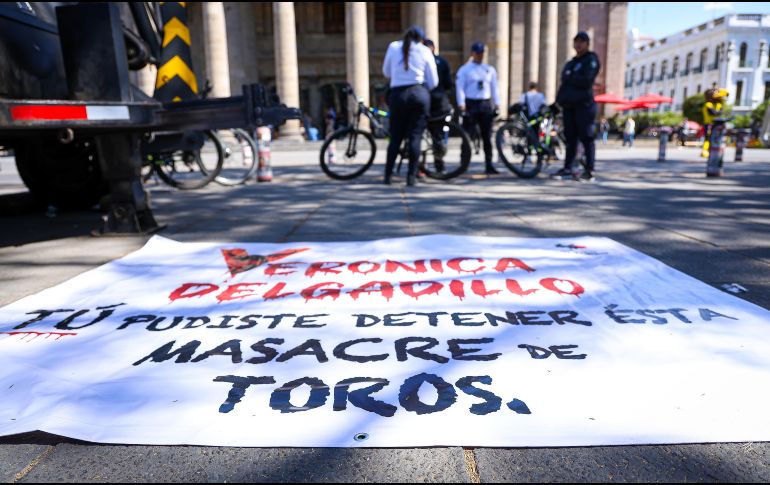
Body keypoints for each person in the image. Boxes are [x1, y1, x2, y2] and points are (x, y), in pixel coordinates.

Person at [382, 26, 438, 186]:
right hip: (418, 94)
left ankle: (388, 175)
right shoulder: (424, 50)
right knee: (415, 137)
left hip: (398, 95)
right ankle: (411, 177)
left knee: (395, 138)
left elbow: (386, 72)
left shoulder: (393, 47)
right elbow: (433, 81)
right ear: (421, 38)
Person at [553, 31, 601, 181]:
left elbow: (587, 80)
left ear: (587, 43)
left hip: (584, 105)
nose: (578, 44)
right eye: (576, 41)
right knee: (570, 138)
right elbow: (564, 85)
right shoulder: (571, 63)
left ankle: (589, 169)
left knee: (587, 137)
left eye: (581, 41)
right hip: (569, 106)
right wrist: (557, 102)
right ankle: (568, 167)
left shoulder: (591, 59)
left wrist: (572, 76)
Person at [456, 41, 501, 174]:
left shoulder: (489, 69)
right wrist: (461, 104)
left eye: (482, 53)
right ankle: (463, 164)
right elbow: (460, 88)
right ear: (473, 54)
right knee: (467, 136)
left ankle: (489, 164)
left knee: (487, 136)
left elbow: (494, 88)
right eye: (478, 53)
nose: (480, 56)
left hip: (485, 104)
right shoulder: (465, 70)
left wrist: (497, 103)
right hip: (471, 104)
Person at [701, 87, 727, 157]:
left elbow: (720, 112)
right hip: (709, 124)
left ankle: (713, 150)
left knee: (716, 138)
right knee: (708, 137)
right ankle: (705, 150)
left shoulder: (718, 105)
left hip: (716, 124)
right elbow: (713, 113)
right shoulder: (708, 104)